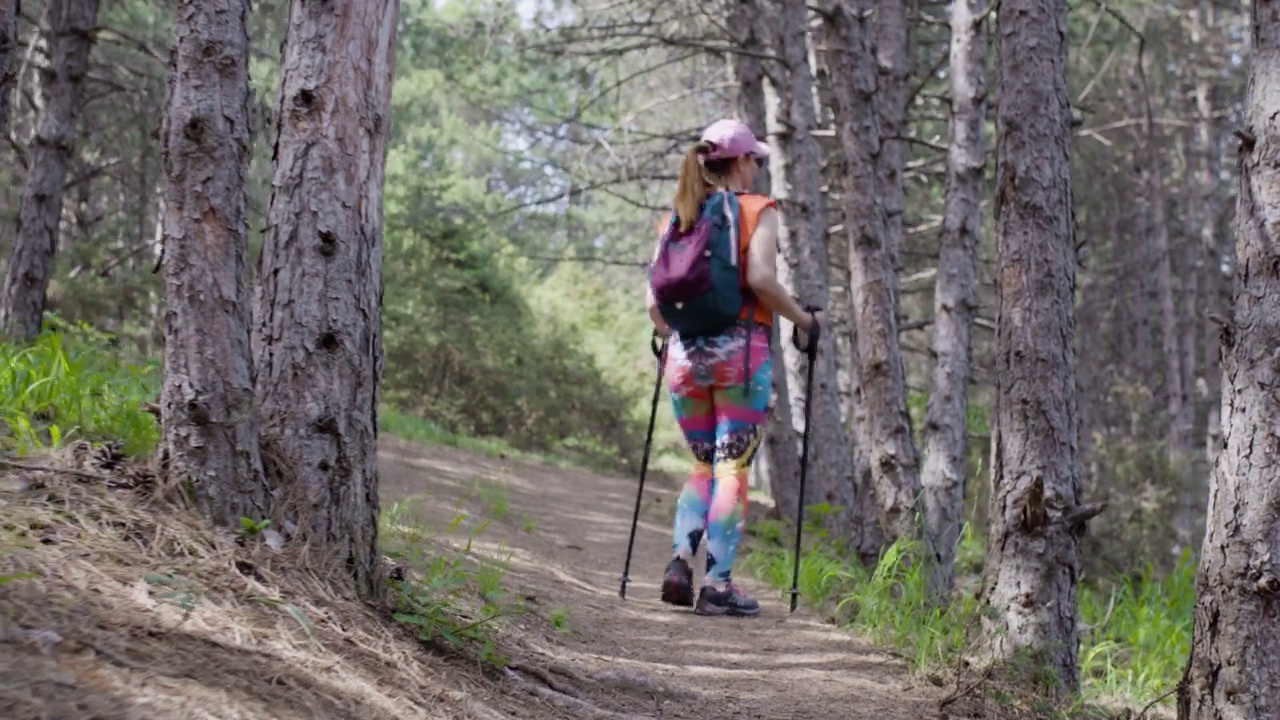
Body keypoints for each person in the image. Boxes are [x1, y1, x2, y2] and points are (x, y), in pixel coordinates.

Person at [645, 118, 819, 617]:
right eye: (756, 159)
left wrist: (676, 339)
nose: (758, 166)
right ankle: (717, 584)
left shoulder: (676, 218)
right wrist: (805, 319)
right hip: (740, 360)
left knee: (703, 464)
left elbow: (654, 305)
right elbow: (762, 278)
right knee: (732, 469)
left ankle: (680, 559)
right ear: (741, 162)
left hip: (684, 360)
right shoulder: (757, 210)